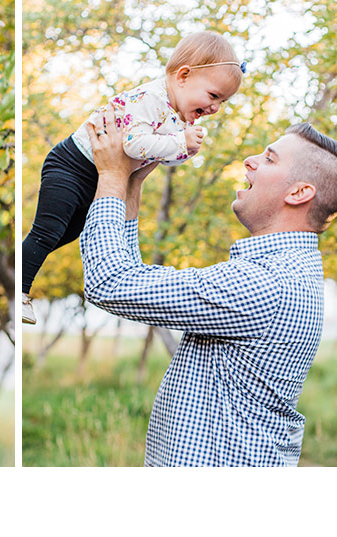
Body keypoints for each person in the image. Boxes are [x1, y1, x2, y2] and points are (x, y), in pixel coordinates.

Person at [81, 106, 337, 466]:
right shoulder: (291, 271)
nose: (250, 160)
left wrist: (109, 176)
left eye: (269, 158)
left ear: (299, 193)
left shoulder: (264, 283)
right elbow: (132, 276)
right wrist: (131, 183)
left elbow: (110, 282)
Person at [21, 31, 245, 324]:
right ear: (183, 76)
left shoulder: (172, 114)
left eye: (223, 102)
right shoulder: (150, 99)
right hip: (71, 164)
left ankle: (23, 257)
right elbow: (133, 145)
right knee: (49, 228)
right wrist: (180, 142)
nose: (215, 108)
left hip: (96, 176)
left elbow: (156, 158)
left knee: (69, 231)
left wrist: (186, 149)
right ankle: (20, 291)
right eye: (213, 96)